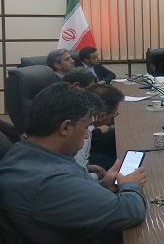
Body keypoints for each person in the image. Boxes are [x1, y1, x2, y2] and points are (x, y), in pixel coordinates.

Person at [0, 83, 147, 243]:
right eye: (86, 127)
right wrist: (130, 185)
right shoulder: (49, 180)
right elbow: (129, 211)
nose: (87, 135)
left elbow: (67, 194)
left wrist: (103, 186)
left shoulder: (25, 151)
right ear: (66, 127)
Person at [87, 84, 124, 170]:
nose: (113, 116)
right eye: (114, 113)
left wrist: (88, 167)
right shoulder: (83, 135)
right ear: (102, 116)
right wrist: (97, 176)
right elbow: (76, 172)